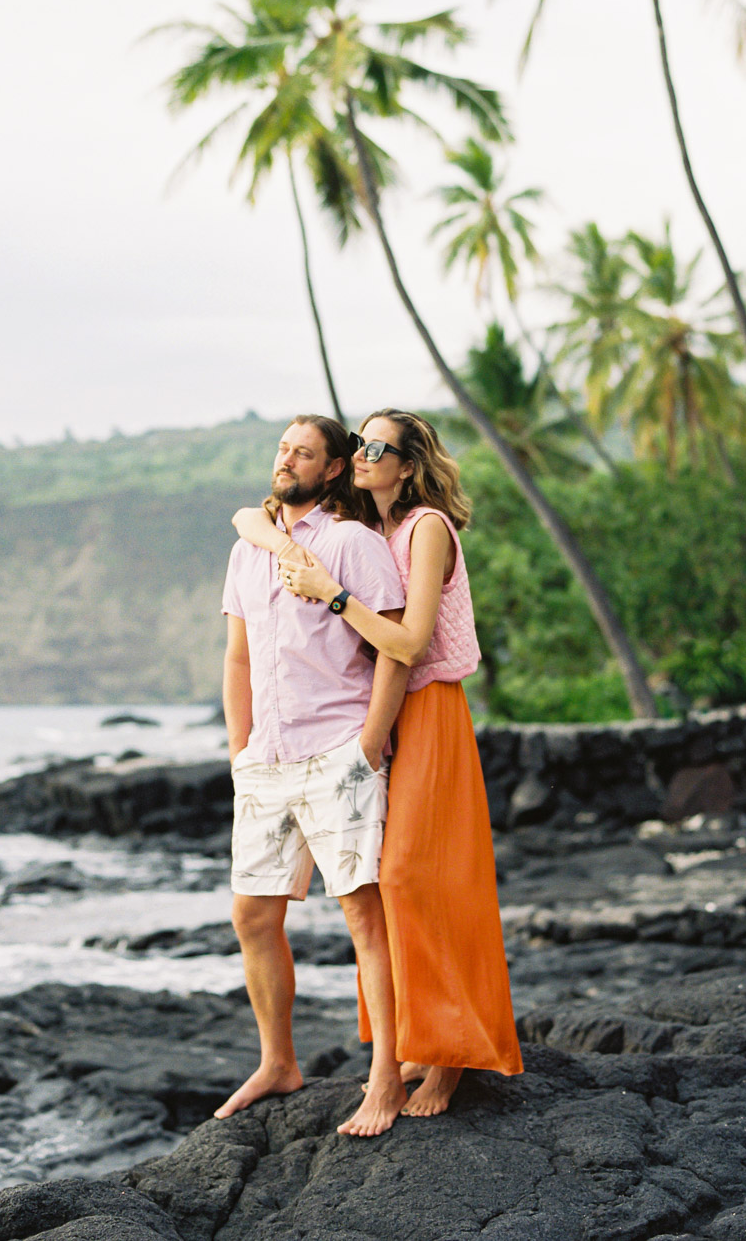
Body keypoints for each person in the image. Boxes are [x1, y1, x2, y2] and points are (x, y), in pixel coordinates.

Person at [233, 409, 522, 1118]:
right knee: (398, 889)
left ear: (409, 463)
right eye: (358, 443)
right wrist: (267, 531)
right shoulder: (374, 532)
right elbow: (253, 521)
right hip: (384, 716)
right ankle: (422, 1042)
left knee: (416, 880)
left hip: (428, 712)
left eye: (375, 446)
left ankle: (450, 1056)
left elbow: (410, 644)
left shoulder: (422, 529)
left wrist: (331, 595)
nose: (362, 453)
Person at [218, 413, 412, 1137]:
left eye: (303, 452)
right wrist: (241, 747)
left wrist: (369, 742)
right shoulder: (248, 552)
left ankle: (385, 1077)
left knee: (364, 916)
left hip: (338, 749)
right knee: (253, 914)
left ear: (333, 469)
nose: (287, 459)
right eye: (282, 448)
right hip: (265, 758)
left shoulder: (351, 543)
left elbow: (395, 647)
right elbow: (237, 658)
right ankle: (278, 1062)